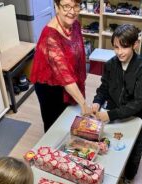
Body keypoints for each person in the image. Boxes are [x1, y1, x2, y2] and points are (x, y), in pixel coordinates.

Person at [91, 24, 142, 184]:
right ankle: (105, 174)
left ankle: (128, 180)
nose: (119, 52)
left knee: (134, 149)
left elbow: (140, 102)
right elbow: (103, 88)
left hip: (135, 116)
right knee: (104, 143)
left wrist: (110, 115)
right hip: (113, 112)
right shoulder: (110, 65)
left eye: (124, 46)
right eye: (116, 47)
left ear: (135, 44)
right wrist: (97, 102)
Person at [30, 0, 91, 132]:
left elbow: (79, 54)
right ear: (56, 7)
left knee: (70, 120)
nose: (72, 11)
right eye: (66, 6)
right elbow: (65, 77)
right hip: (50, 87)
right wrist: (83, 103)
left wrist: (81, 86)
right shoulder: (50, 36)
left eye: (76, 6)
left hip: (69, 81)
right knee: (55, 126)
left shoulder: (75, 25)